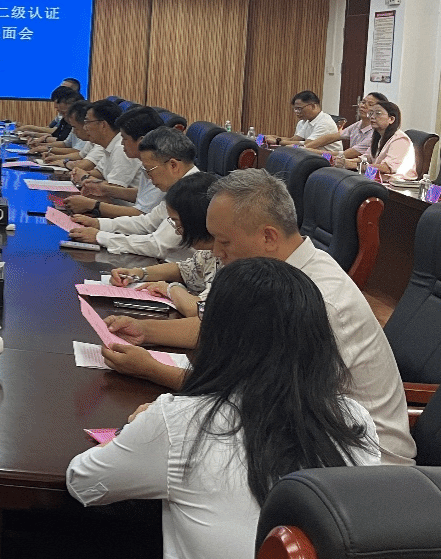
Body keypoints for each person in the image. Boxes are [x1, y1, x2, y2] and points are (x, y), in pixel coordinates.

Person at [68, 257, 380, 559]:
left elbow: (83, 481)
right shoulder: (353, 420)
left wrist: (131, 430)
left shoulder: (182, 421)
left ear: (219, 335)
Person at [101, 169, 415, 466]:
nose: (217, 253)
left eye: (225, 242)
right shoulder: (281, 273)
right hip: (305, 432)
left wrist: (154, 373)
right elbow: (226, 350)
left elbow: (255, 398)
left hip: (359, 462)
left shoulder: (316, 300)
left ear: (268, 237)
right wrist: (146, 333)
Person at [68, 127, 199, 257]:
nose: (149, 178)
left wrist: (100, 237)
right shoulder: (179, 187)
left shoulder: (193, 194)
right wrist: (99, 224)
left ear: (173, 165)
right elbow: (147, 223)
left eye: (149, 170)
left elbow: (157, 246)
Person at [109, 171, 221, 317]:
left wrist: (170, 289)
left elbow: (198, 310)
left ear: (195, 221)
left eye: (177, 222)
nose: (177, 230)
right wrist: (138, 273)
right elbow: (183, 269)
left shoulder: (229, 257)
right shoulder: (208, 252)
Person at [64, 106, 165, 216]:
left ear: (141, 141)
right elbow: (142, 194)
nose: (122, 143)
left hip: (126, 215)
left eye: (124, 138)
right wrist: (104, 189)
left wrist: (93, 205)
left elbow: (142, 215)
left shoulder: (161, 168)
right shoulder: (147, 163)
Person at [69, 100, 142, 189]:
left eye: (87, 122)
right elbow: (100, 172)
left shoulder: (121, 148)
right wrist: (78, 173)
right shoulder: (109, 144)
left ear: (103, 125)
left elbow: (115, 188)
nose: (84, 128)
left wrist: (84, 177)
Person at [306, 92, 385, 163]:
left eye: (370, 104)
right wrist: (306, 147)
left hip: (359, 168)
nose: (363, 106)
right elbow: (333, 137)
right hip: (347, 163)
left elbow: (347, 154)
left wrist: (311, 151)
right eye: (363, 102)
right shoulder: (358, 124)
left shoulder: (375, 132)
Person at [267, 90, 341, 153]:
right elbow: (293, 140)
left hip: (327, 158)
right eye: (295, 109)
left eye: (299, 109)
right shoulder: (307, 121)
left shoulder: (325, 122)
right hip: (310, 154)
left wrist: (277, 141)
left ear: (313, 106)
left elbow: (307, 144)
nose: (297, 112)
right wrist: (272, 137)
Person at [363, 98, 416, 180]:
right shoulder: (379, 137)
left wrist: (358, 166)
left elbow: (387, 168)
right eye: (371, 113)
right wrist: (346, 162)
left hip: (398, 184)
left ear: (391, 119)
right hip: (379, 179)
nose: (372, 117)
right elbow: (367, 158)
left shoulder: (400, 140)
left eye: (378, 113)